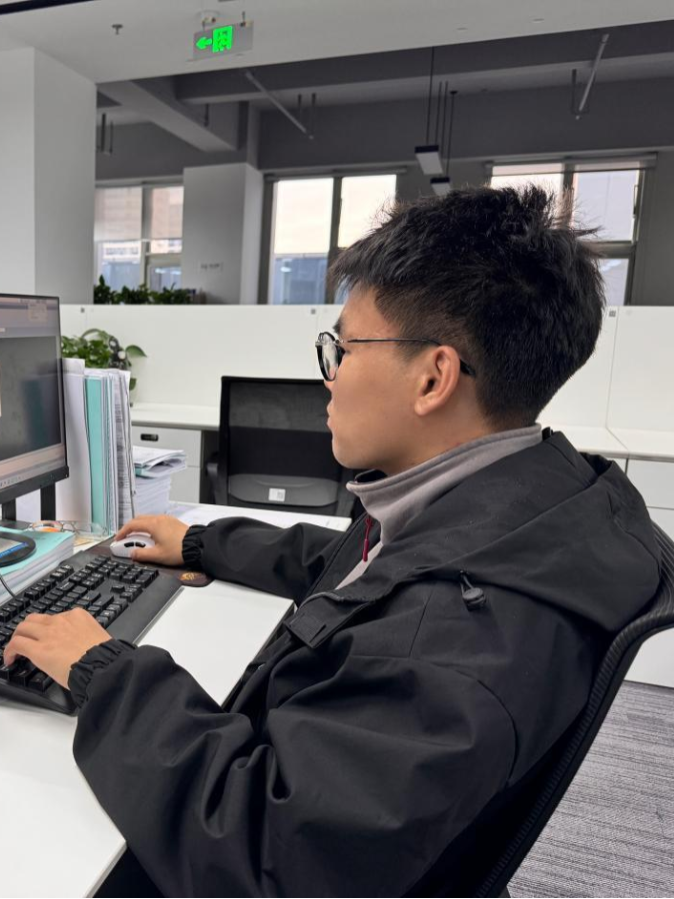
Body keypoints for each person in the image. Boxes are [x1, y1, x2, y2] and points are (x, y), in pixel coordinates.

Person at [4, 185, 661, 898]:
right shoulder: (517, 508)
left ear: (433, 377)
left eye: (342, 349)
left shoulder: (454, 636)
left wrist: (105, 671)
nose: (329, 377)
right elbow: (354, 573)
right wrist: (202, 542)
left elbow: (265, 855)